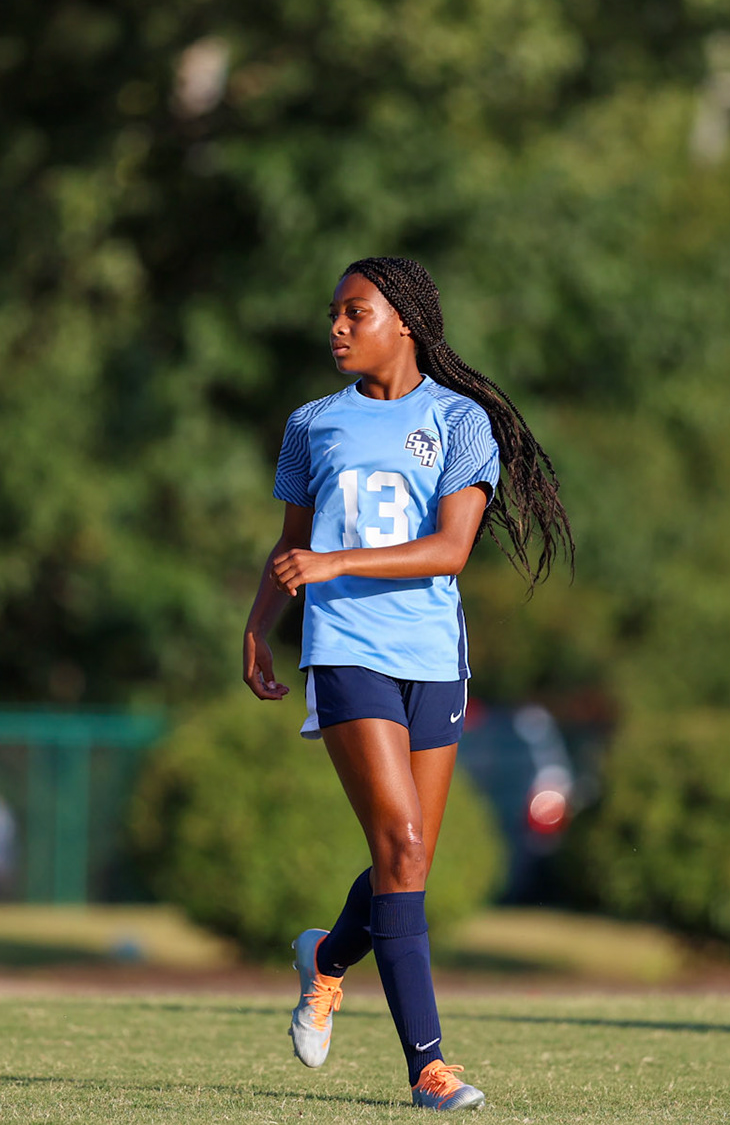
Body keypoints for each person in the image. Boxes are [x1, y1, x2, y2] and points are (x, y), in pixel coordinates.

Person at [242, 256, 572, 1111]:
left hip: (434, 656)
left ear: (406, 324)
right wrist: (258, 629)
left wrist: (331, 562)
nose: (338, 327)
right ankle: (428, 1069)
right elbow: (291, 548)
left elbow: (450, 552)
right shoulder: (312, 424)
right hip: (346, 649)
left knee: (411, 853)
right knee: (399, 842)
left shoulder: (462, 422)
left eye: (356, 312)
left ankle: (325, 960)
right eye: (334, 313)